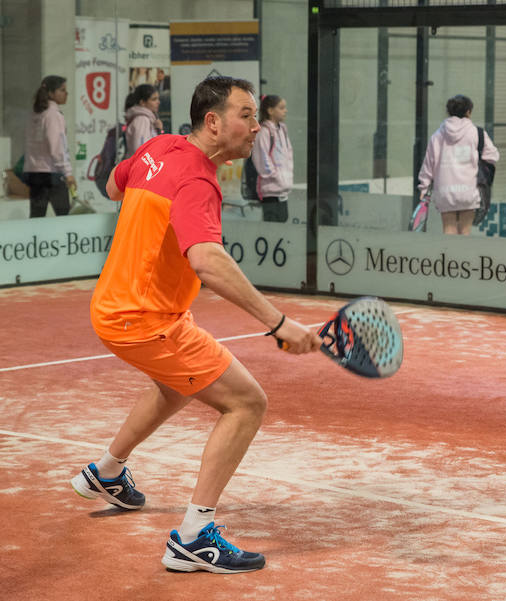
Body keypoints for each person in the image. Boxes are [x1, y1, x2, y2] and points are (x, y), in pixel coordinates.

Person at [69, 76, 321, 573]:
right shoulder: (199, 179)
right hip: (145, 319)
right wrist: (279, 323)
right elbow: (207, 259)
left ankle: (105, 472)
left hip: (119, 307)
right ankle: (192, 537)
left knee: (177, 384)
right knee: (247, 402)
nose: (255, 127)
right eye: (246, 116)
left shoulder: (158, 147)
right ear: (213, 121)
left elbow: (112, 184)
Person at [417, 94, 499, 235]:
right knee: (465, 231)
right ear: (468, 112)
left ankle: (449, 257)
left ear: (449, 112)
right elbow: (493, 156)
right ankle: (463, 257)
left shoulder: (437, 135)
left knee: (448, 229)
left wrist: (423, 188)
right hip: (469, 190)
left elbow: (428, 164)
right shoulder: (477, 133)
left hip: (445, 191)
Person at [23, 75, 74, 217]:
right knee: (64, 216)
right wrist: (67, 172)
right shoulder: (53, 115)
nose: (66, 94)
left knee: (37, 217)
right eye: (62, 90)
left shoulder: (34, 113)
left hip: (34, 172)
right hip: (52, 173)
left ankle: (35, 240)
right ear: (51, 93)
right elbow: (57, 146)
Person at [251, 94, 293, 223]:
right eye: (281, 108)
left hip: (283, 190)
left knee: (282, 222)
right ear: (270, 111)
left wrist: (286, 180)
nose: (285, 110)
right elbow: (262, 159)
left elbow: (288, 156)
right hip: (270, 191)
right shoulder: (264, 131)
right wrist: (277, 177)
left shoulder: (282, 129)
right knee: (272, 227)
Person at [124, 83, 163, 157]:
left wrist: (159, 130)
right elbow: (141, 149)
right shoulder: (142, 119)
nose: (158, 102)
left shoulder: (147, 119)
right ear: (142, 102)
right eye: (154, 99)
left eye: (158, 98)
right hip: (143, 167)